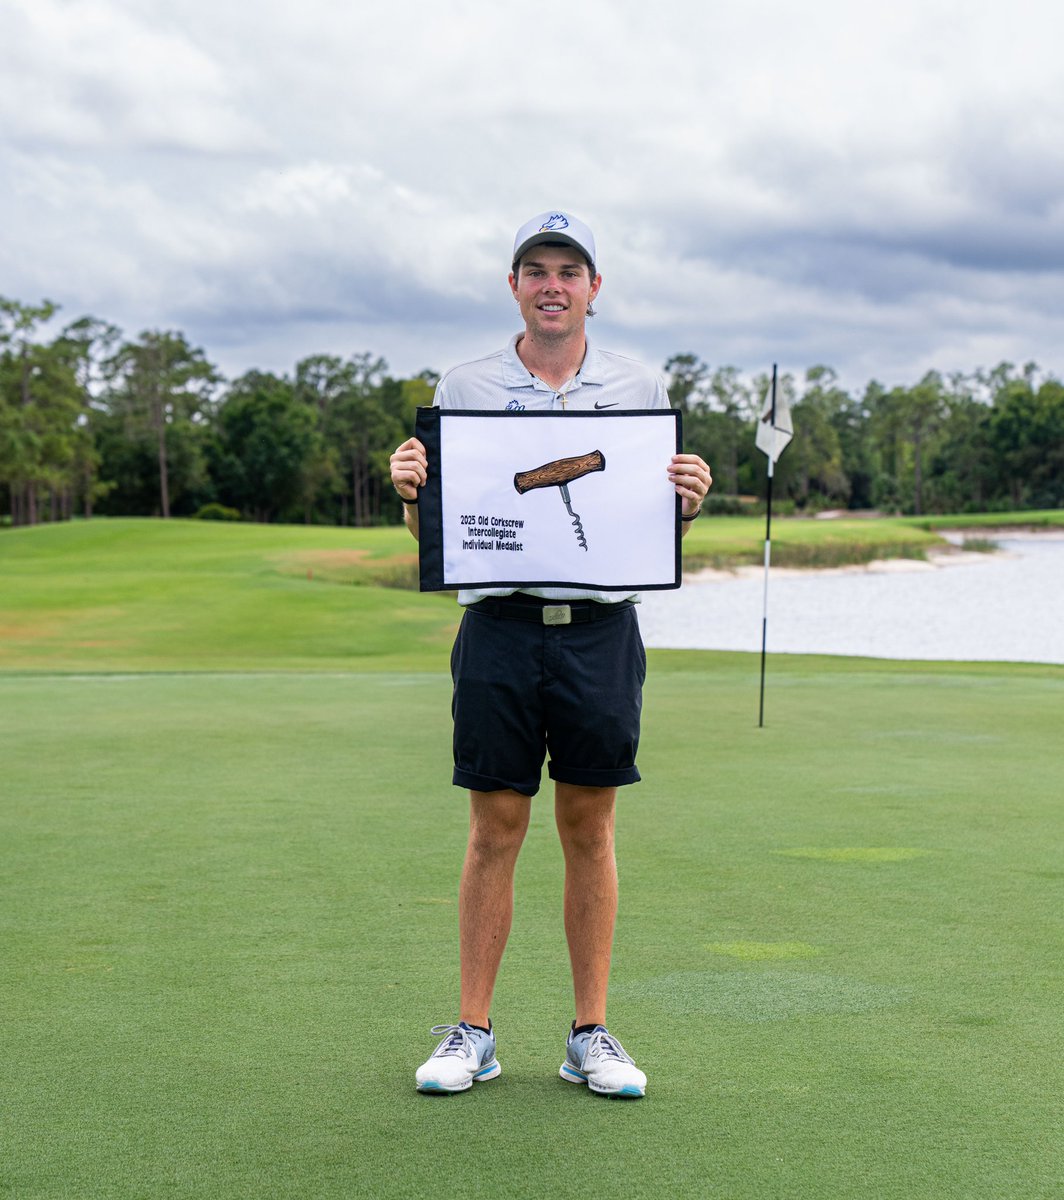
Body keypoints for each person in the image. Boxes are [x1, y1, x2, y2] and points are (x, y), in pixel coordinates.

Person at [390, 210, 712, 1099]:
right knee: (495, 825)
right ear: (515, 286)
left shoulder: (638, 386)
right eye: (536, 269)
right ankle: (473, 1032)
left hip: (602, 632)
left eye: (569, 270)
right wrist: (411, 496)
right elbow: (440, 534)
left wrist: (687, 504)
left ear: (593, 289)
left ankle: (590, 1033)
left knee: (590, 825)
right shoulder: (465, 384)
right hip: (499, 629)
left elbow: (653, 524)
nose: (553, 284)